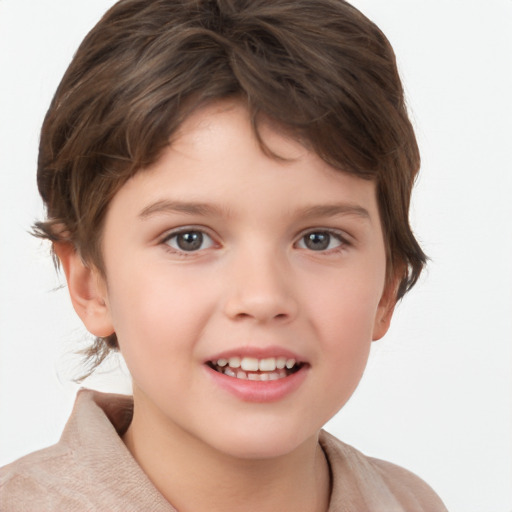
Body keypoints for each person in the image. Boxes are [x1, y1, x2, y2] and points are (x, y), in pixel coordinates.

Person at [0, 0, 449, 510]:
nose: (261, 298)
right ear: (89, 283)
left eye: (319, 239)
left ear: (387, 289)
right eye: (188, 239)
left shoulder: (411, 502)